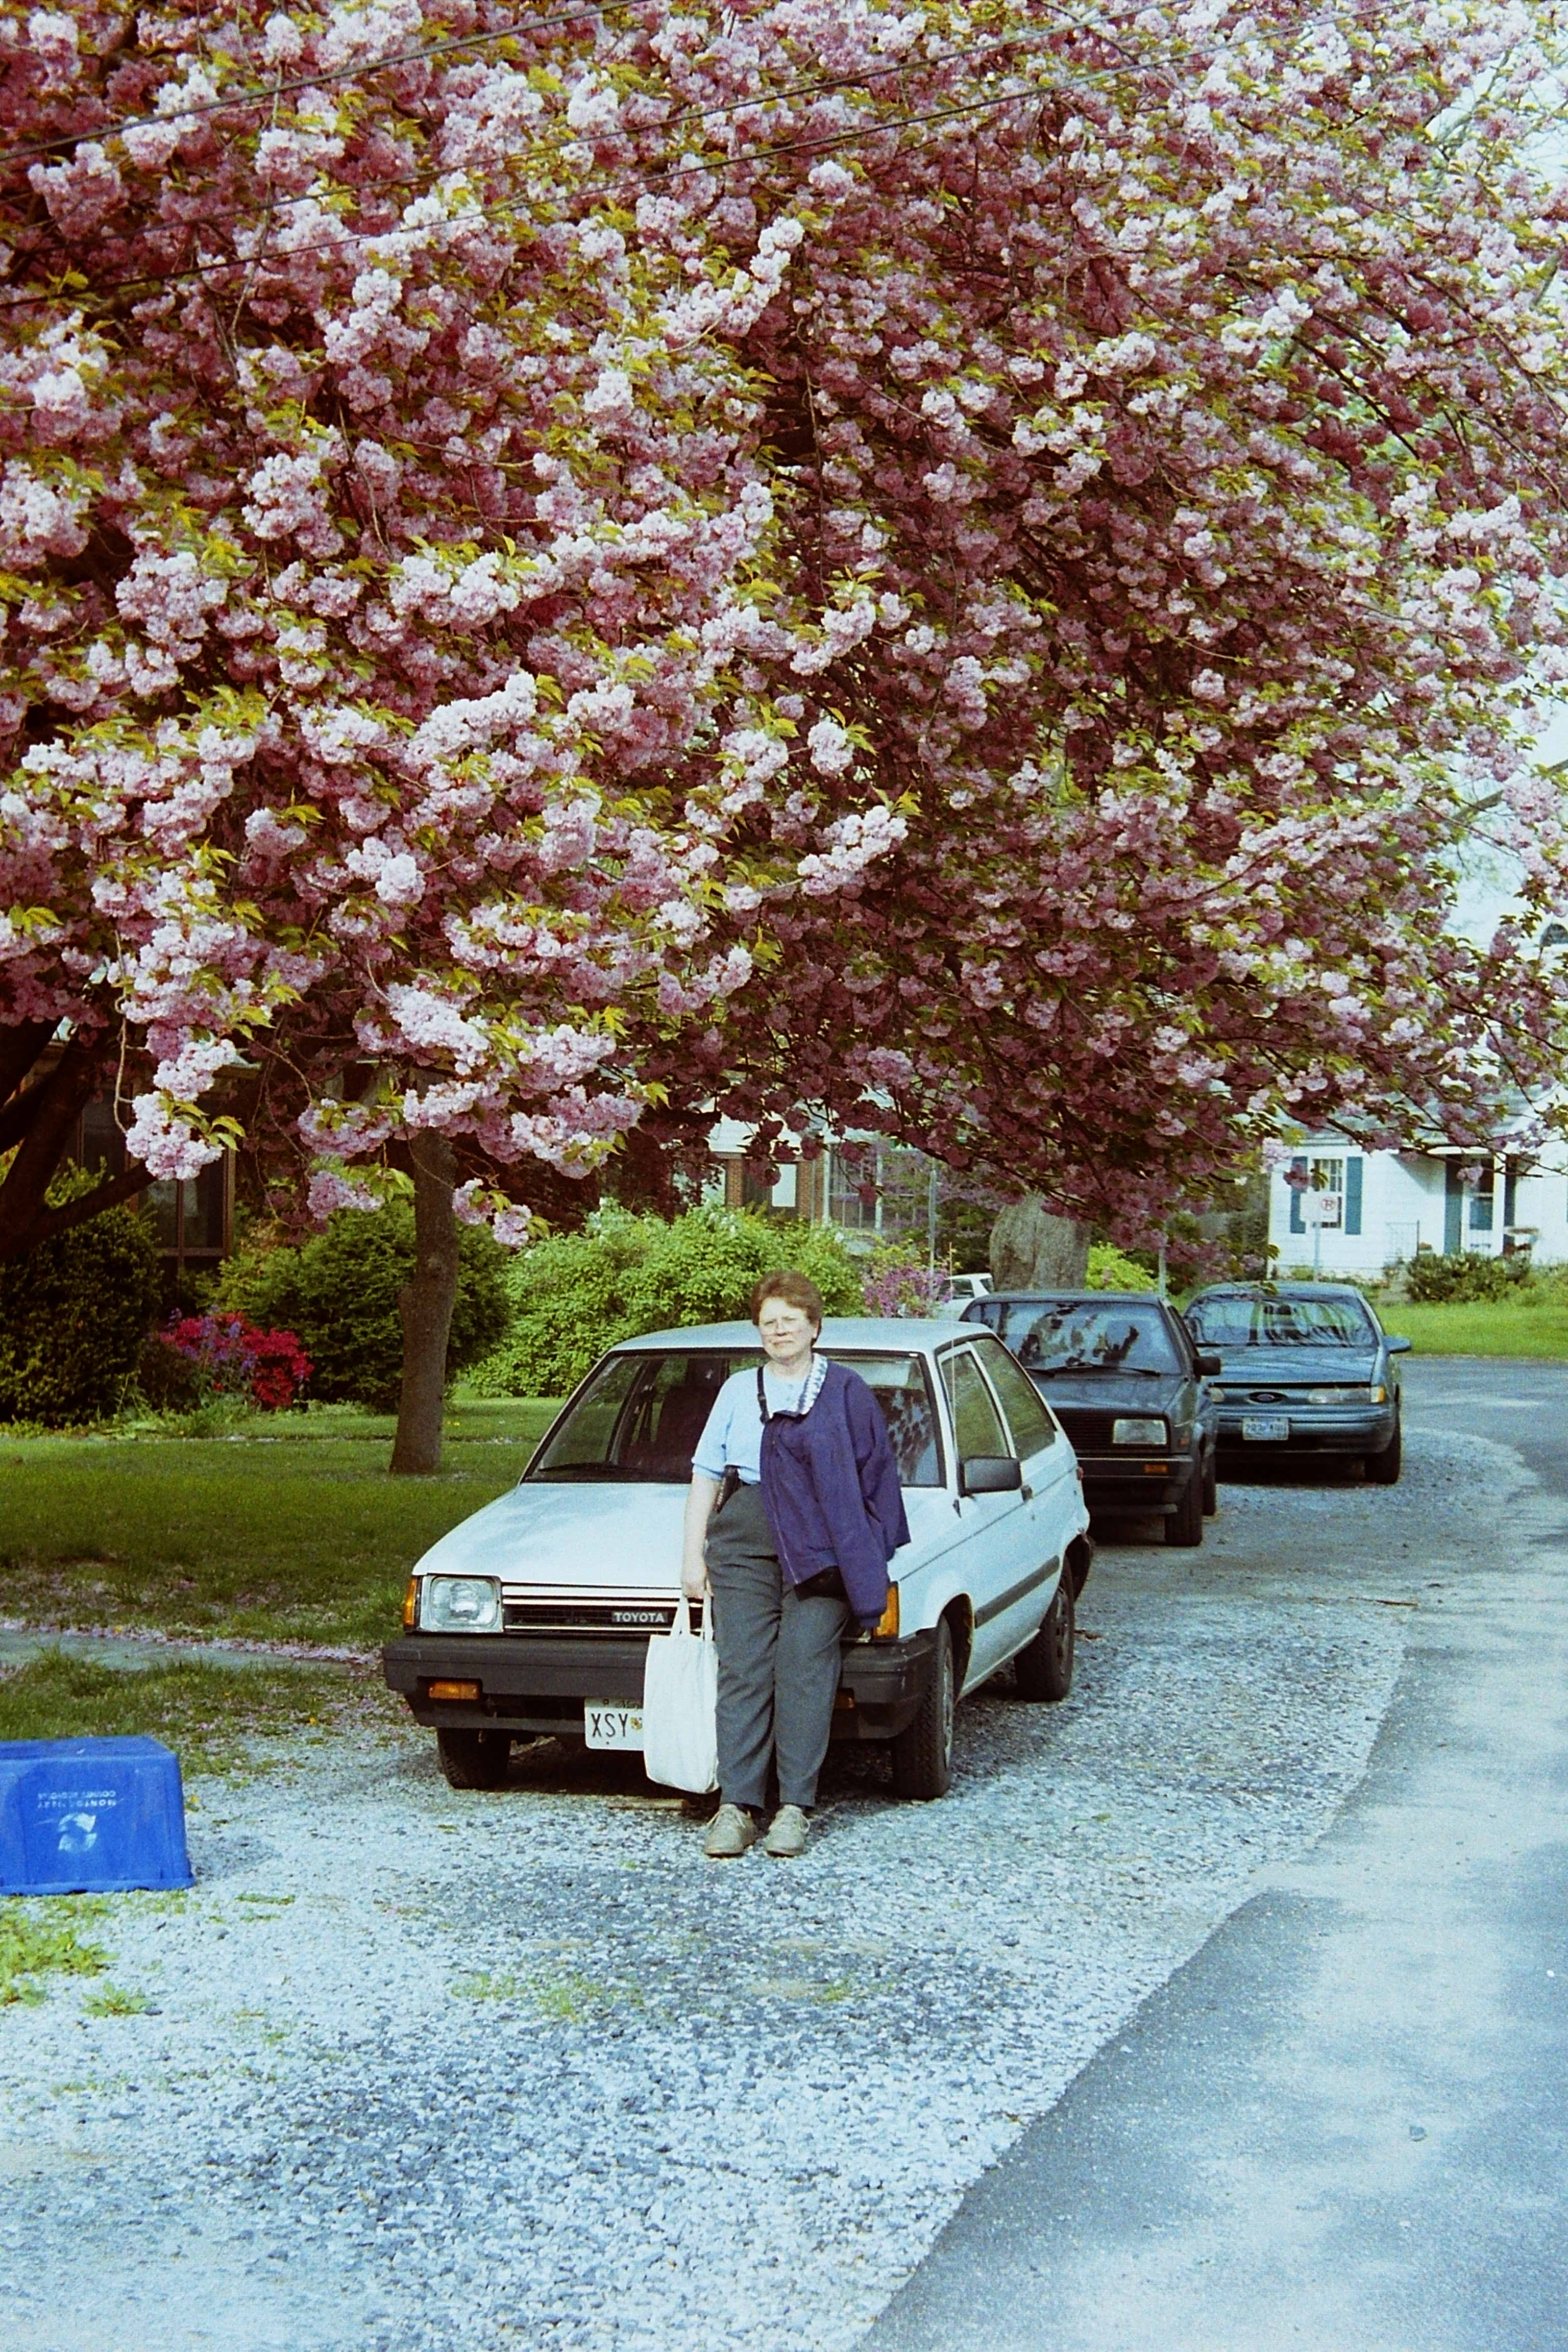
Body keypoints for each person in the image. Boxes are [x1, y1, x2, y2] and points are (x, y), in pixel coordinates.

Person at [682, 1270, 910, 1860]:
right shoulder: (738, 1391)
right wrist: (691, 1558)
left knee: (804, 1666)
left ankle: (794, 1808)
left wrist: (867, 1551)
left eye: (790, 1320)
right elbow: (707, 1474)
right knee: (743, 1668)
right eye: (769, 1322)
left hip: (824, 1545)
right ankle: (737, 1806)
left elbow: (877, 1478)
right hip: (745, 1536)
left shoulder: (847, 1391)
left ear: (814, 1327)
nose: (779, 1330)